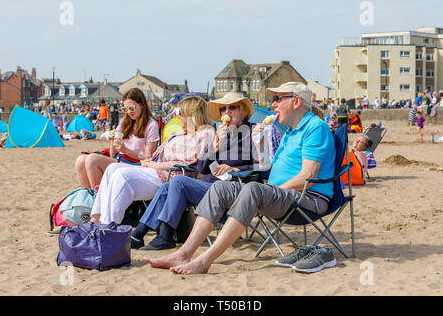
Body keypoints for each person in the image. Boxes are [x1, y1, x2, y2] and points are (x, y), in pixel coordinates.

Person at [142, 82, 336, 275]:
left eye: (278, 99)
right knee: (219, 189)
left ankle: (204, 261)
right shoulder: (290, 133)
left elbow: (308, 177)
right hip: (279, 195)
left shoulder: (315, 128)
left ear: (296, 102)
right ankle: (183, 253)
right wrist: (239, 146)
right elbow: (265, 169)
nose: (273, 104)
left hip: (307, 199)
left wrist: (269, 191)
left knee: (252, 188)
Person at [129, 92, 261, 250]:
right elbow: (202, 168)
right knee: (166, 187)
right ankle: (138, 234)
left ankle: (166, 236)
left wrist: (235, 168)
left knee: (178, 181)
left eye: (232, 107)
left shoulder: (252, 132)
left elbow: (261, 166)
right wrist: (215, 146)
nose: (227, 112)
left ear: (243, 111)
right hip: (213, 186)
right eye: (223, 109)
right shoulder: (220, 133)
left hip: (235, 187)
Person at [90, 95, 215, 225]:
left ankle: (109, 225)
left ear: (191, 114)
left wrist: (152, 165)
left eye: (180, 113)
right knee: (112, 169)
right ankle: (96, 219)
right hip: (154, 170)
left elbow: (184, 163)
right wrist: (147, 161)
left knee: (122, 175)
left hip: (170, 176)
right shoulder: (178, 133)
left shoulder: (204, 133)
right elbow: (153, 155)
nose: (177, 116)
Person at [75, 88, 159, 189]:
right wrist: (113, 141)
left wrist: (126, 150)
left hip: (137, 166)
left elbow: (148, 157)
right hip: (119, 160)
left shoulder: (151, 125)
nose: (128, 112)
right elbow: (113, 154)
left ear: (141, 105)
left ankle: (99, 199)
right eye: (125, 109)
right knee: (80, 161)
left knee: (92, 159)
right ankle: (90, 198)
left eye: (131, 108)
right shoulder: (125, 121)